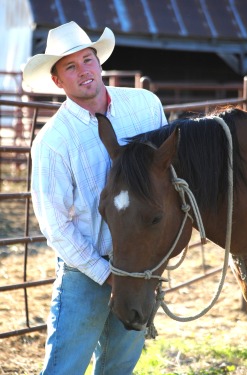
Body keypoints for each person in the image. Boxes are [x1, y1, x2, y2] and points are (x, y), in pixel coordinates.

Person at [23, 21, 167, 375]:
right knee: (65, 368)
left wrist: (150, 262)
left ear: (99, 62)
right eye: (70, 67)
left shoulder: (146, 106)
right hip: (86, 270)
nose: (83, 71)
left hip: (138, 264)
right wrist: (105, 274)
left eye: (87, 60)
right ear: (57, 81)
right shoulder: (53, 142)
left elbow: (166, 179)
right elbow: (55, 226)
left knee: (119, 367)